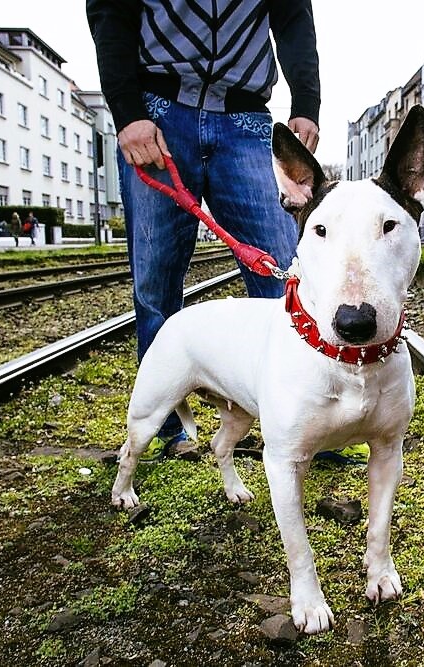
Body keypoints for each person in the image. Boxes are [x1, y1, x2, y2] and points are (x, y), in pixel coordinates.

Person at [87, 0, 320, 456]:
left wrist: (306, 103)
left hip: (246, 116)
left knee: (288, 277)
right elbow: (110, 11)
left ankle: (305, 418)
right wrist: (127, 110)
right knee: (155, 283)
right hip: (156, 111)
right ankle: (168, 426)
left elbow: (294, 15)